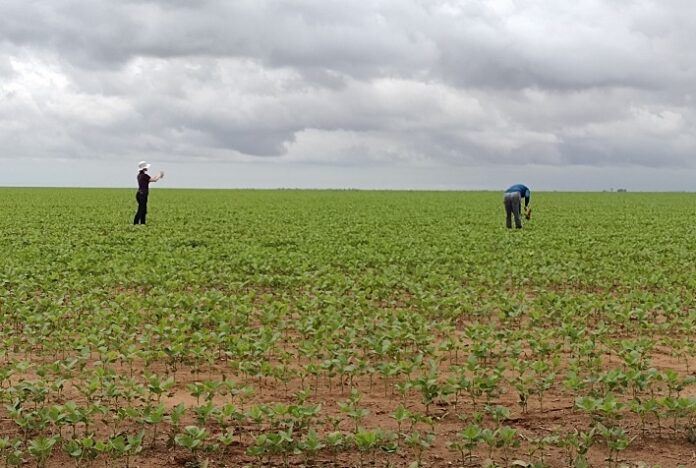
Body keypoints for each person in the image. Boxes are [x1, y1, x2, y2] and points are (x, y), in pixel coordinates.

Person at [133, 161, 164, 225]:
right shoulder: (144, 176)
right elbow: (154, 180)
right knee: (141, 210)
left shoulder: (140, 175)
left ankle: (142, 223)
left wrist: (158, 175)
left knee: (143, 210)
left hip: (139, 194)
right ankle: (136, 223)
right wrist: (160, 175)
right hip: (142, 195)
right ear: (144, 168)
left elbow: (152, 178)